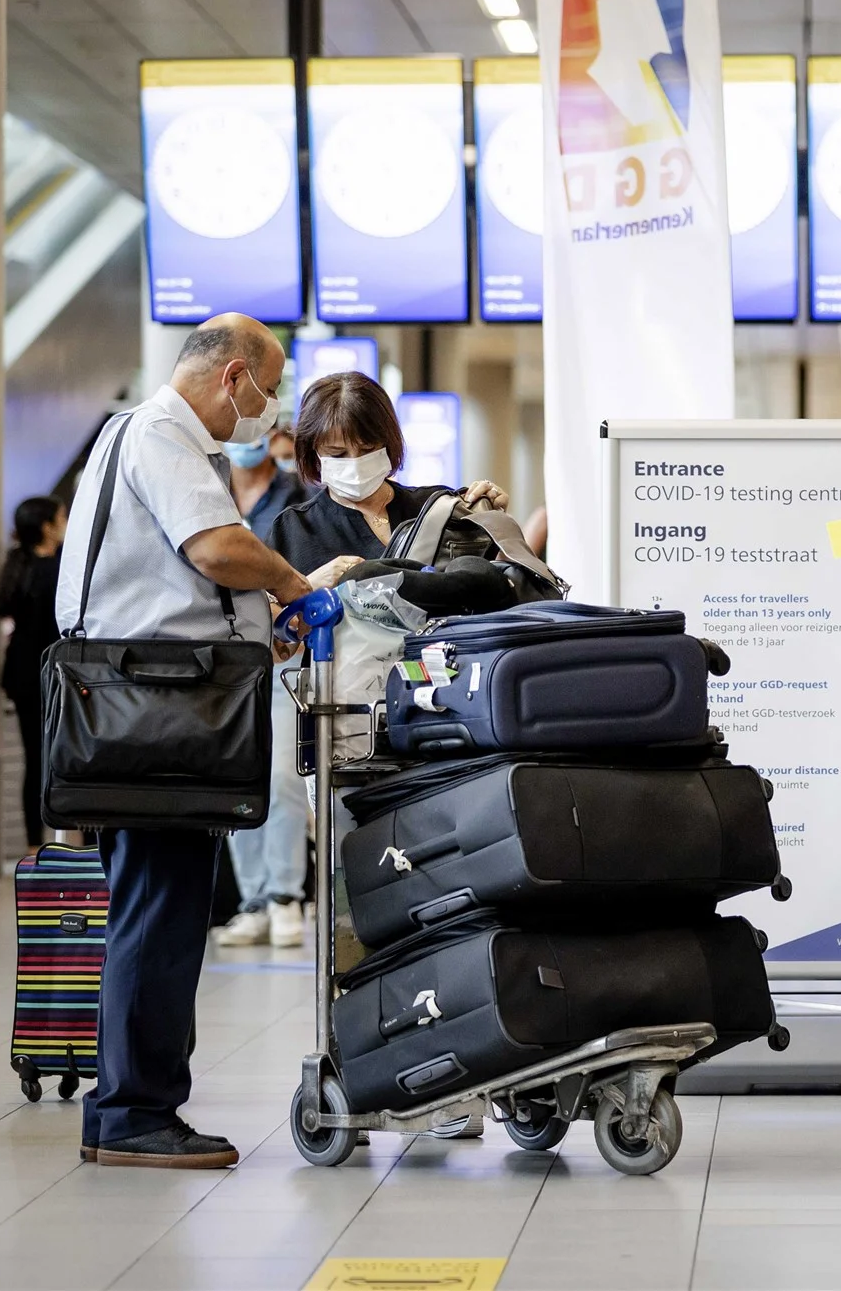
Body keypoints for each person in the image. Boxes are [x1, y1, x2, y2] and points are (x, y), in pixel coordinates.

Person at [59, 313, 317, 1169]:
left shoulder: (142, 435)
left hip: (150, 704)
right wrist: (293, 584)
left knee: (156, 909)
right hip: (156, 715)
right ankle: (134, 1110)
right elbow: (212, 546)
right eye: (268, 386)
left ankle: (123, 1107)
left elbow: (173, 578)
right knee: (160, 913)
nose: (268, 407)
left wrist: (258, 626)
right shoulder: (161, 431)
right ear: (232, 375)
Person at [212, 425, 311, 948]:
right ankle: (253, 900)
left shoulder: (296, 496)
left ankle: (285, 895)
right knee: (236, 777)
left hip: (285, 647)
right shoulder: (210, 486)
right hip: (226, 652)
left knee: (283, 777)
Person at [269, 371, 509, 578]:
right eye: (337, 454)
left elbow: (486, 583)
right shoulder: (294, 530)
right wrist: (308, 588)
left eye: (367, 450)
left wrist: (493, 519)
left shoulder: (437, 508)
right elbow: (271, 618)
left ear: (388, 443)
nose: (355, 462)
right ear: (313, 453)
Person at [0, 497, 67, 854]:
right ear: (47, 527)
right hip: (58, 673)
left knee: (32, 759)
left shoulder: (16, 568)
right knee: (64, 758)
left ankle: (33, 847)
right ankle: (71, 843)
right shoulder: (60, 568)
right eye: (62, 517)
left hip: (22, 674)